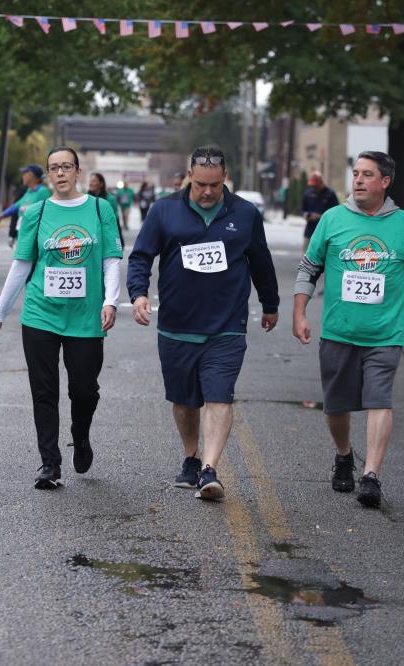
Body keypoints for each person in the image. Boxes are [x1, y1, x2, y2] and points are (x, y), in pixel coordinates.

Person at [127, 146, 280, 502]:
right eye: (201, 185)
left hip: (227, 324)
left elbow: (261, 261)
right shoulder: (164, 210)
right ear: (189, 177)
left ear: (225, 178)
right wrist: (138, 294)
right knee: (184, 402)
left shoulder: (245, 213)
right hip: (177, 324)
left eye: (215, 185)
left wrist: (270, 304)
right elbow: (141, 256)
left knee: (219, 396)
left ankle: (210, 469)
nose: (208, 192)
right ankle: (191, 457)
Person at [292, 151, 404, 509]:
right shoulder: (332, 219)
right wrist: (299, 313)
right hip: (338, 332)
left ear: (385, 182)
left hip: (384, 334)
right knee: (336, 406)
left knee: (380, 400)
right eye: (356, 173)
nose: (358, 180)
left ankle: (371, 475)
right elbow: (309, 268)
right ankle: (344, 455)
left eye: (367, 174)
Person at [0, 146, 122, 490]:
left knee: (84, 390)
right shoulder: (37, 212)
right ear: (48, 174)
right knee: (44, 391)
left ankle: (81, 434)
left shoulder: (99, 208)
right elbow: (21, 265)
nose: (60, 173)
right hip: (40, 314)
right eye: (54, 168)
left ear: (78, 171)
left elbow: (110, 259)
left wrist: (110, 301)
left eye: (66, 167)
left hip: (85, 317)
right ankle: (49, 463)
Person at [0, 164, 50, 248]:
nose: (22, 176)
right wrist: (0, 217)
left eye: (24, 173)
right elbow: (15, 206)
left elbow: (49, 214)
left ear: (31, 175)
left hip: (33, 239)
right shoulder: (29, 191)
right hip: (22, 236)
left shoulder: (42, 192)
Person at [301, 171, 339, 247]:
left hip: (326, 232)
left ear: (321, 182)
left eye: (316, 185)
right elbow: (302, 210)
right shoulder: (308, 194)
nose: (314, 187)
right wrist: (307, 215)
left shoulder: (330, 194)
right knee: (307, 251)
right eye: (312, 186)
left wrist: (321, 216)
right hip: (310, 231)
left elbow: (337, 213)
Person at [88, 172, 124, 246]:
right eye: (90, 181)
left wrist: (120, 241)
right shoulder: (86, 198)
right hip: (91, 236)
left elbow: (115, 221)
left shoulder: (110, 199)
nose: (90, 183)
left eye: (94, 181)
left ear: (101, 183)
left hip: (105, 236)